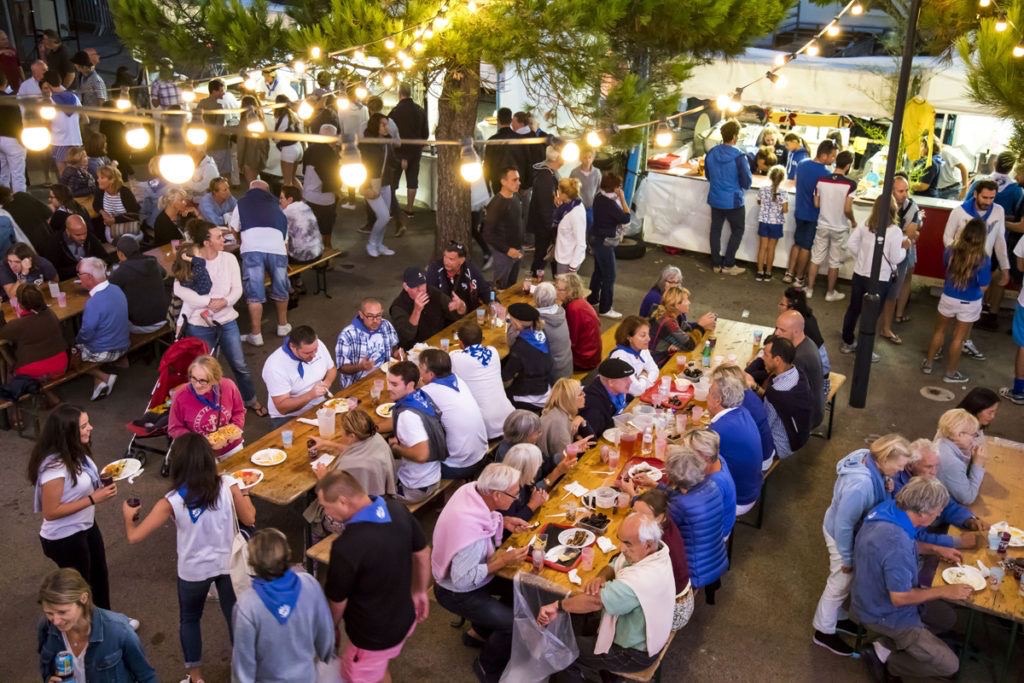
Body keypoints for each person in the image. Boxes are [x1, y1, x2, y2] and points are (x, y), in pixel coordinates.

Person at [122, 433, 256, 683]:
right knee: (235, 616)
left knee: (190, 620)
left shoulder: (171, 501)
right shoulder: (228, 484)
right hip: (227, 563)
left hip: (192, 570)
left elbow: (135, 537)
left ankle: (195, 677)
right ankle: (244, 669)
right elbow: (249, 518)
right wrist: (245, 493)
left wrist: (128, 517)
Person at [853, 477, 972, 680]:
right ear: (923, 513)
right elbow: (900, 598)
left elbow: (906, 544)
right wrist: (944, 591)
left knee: (947, 618)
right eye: (937, 511)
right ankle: (891, 663)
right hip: (884, 612)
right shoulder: (896, 543)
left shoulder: (892, 510)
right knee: (950, 665)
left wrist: (935, 548)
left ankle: (884, 646)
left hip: (867, 594)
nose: (939, 514)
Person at [536, 513, 675, 681]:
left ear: (648, 544)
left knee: (560, 649)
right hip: (636, 630)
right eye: (620, 540)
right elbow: (616, 563)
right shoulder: (656, 551)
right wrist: (601, 577)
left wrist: (557, 606)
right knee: (577, 624)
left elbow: (594, 602)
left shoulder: (640, 580)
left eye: (627, 543)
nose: (620, 547)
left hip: (633, 653)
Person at [812, 434, 911, 657]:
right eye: (900, 466)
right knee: (840, 582)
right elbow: (844, 525)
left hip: (846, 530)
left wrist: (888, 486)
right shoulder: (861, 485)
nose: (901, 470)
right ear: (885, 459)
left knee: (844, 583)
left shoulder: (867, 458)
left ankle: (838, 618)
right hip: (841, 536)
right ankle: (823, 632)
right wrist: (847, 558)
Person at [431, 464, 530, 683]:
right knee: (512, 624)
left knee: (521, 585)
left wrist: (503, 521)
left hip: (465, 575)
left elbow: (485, 516)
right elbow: (463, 579)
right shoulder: (471, 535)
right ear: (496, 494)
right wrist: (502, 560)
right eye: (514, 494)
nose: (517, 498)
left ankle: (478, 632)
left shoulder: (471, 490)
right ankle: (487, 667)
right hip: (457, 591)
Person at [28, 405, 115, 611]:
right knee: (80, 590)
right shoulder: (54, 468)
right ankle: (86, 632)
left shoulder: (75, 452)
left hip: (85, 526)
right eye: (84, 426)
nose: (90, 428)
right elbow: (51, 512)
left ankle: (108, 622)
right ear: (67, 432)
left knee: (99, 577)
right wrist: (93, 499)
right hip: (65, 538)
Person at [176, 220, 265, 416]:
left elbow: (237, 289)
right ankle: (211, 408)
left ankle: (250, 399)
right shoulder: (190, 259)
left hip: (226, 320)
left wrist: (224, 302)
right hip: (199, 324)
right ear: (206, 242)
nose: (223, 239)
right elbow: (179, 289)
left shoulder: (229, 259)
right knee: (206, 371)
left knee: (239, 364)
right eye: (218, 237)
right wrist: (209, 301)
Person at [231, 528, 334, 683]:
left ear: (253, 563)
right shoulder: (309, 584)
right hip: (306, 676)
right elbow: (325, 632)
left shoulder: (247, 606)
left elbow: (244, 660)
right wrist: (326, 654)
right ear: (287, 554)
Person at [37, 568, 157, 682]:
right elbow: (46, 667)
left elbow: (147, 676)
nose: (56, 621)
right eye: (49, 613)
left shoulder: (119, 631)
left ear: (83, 598)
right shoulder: (46, 627)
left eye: (62, 612)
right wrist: (49, 679)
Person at [942, 179, 1010, 361]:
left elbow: (1000, 240)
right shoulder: (959, 212)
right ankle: (943, 344)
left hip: (982, 268)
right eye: (985, 197)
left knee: (972, 309)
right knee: (948, 311)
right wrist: (960, 258)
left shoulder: (999, 211)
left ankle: (964, 340)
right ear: (975, 194)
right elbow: (947, 237)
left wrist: (1005, 267)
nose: (988, 202)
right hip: (959, 270)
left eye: (992, 198)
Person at [839, 194, 908, 361]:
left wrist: (863, 257)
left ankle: (847, 342)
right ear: (894, 210)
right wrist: (905, 249)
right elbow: (894, 258)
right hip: (880, 279)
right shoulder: (895, 232)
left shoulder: (865, 225)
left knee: (854, 309)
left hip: (859, 274)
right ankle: (865, 349)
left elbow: (851, 244)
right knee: (872, 315)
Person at [922, 218, 990, 382]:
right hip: (970, 301)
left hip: (948, 296)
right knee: (958, 338)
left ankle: (928, 364)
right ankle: (950, 374)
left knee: (939, 331)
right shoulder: (984, 259)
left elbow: (946, 266)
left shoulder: (951, 250)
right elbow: (984, 285)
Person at [227, 179, 294, 345]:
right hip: (278, 250)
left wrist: (242, 242)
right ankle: (282, 325)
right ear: (268, 191)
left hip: (252, 250)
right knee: (281, 287)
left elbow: (233, 229)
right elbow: (285, 240)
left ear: (250, 190)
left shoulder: (242, 203)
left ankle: (256, 335)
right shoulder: (278, 208)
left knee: (255, 293)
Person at [893, 438, 984, 550]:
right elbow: (913, 535)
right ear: (910, 465)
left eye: (936, 466)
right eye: (929, 466)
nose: (934, 472)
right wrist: (955, 542)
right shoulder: (899, 490)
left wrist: (968, 520)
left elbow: (945, 504)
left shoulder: (925, 478)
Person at [0, 284, 67, 427]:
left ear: (20, 303)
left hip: (37, 371)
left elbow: (2, 332)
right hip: (61, 364)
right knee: (17, 360)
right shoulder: (50, 313)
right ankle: (53, 398)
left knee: (10, 366)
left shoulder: (20, 324)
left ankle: (15, 412)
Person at [663, 445, 728, 592]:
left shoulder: (680, 505)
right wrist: (658, 487)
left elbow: (659, 528)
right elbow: (684, 497)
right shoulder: (711, 485)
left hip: (694, 570)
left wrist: (634, 498)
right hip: (715, 558)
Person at [418, 348, 489, 478]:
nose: (419, 371)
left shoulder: (429, 392)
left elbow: (406, 415)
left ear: (431, 374)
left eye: (421, 368)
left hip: (458, 466)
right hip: (482, 454)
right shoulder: (458, 379)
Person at [633, 489, 693, 629]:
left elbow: (640, 578)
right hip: (680, 594)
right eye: (634, 512)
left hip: (674, 611)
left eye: (642, 516)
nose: (636, 519)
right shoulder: (665, 524)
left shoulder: (659, 543)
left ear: (660, 517)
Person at [385, 360, 444, 502]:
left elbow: (422, 455)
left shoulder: (407, 417)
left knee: (372, 485)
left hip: (417, 488)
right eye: (388, 382)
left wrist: (396, 447)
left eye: (394, 384)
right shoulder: (421, 396)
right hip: (433, 475)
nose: (388, 388)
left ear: (410, 385)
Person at [309, 409, 398, 502]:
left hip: (364, 506)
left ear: (352, 436)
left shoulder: (350, 464)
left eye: (342, 430)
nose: (341, 433)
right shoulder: (375, 437)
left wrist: (324, 477)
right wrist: (328, 443)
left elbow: (339, 496)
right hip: (382, 491)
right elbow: (357, 451)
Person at [706, 368, 762, 514]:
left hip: (738, 499)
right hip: (752, 487)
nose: (706, 396)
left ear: (717, 400)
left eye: (709, 392)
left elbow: (697, 466)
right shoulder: (742, 411)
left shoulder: (718, 429)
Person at [168, 355, 246, 458]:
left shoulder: (228, 386)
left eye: (203, 381)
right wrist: (201, 442)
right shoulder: (180, 396)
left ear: (215, 379)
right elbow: (174, 428)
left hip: (231, 446)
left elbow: (239, 411)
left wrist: (235, 429)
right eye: (193, 378)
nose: (197, 385)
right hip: (200, 453)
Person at [75, 256, 129, 400]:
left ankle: (104, 376)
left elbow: (86, 333)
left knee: (71, 357)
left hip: (106, 350)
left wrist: (76, 341)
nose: (79, 278)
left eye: (79, 275)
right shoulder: (116, 289)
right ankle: (100, 383)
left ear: (89, 277)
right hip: (124, 343)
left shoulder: (93, 302)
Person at [262, 324, 337, 428]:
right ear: (293, 346)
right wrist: (310, 395)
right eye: (307, 353)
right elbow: (282, 408)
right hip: (289, 416)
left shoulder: (316, 345)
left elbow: (332, 369)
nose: (314, 355)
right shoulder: (274, 367)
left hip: (320, 405)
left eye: (315, 350)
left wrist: (327, 383)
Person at [805, 150, 856, 301]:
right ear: (848, 166)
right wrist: (853, 221)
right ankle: (830, 293)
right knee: (834, 261)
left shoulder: (821, 180)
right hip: (839, 227)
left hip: (822, 224)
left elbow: (816, 203)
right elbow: (847, 208)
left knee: (816, 258)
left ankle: (809, 289)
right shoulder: (851, 184)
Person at [784, 140, 836, 287]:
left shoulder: (802, 164)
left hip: (799, 210)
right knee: (806, 247)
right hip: (813, 214)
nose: (833, 160)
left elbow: (795, 181)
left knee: (797, 243)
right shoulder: (826, 174)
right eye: (832, 156)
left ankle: (789, 273)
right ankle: (799, 277)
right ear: (824, 156)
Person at [452, 321, 515, 439]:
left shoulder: (457, 359)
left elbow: (453, 358)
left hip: (486, 426)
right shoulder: (493, 351)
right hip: (508, 415)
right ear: (482, 339)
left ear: (460, 343)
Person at [704, 121, 752, 275]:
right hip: (734, 201)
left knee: (715, 230)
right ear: (734, 137)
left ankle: (716, 263)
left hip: (715, 198)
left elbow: (708, 176)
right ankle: (729, 264)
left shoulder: (711, 153)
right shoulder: (739, 156)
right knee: (737, 230)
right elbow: (747, 182)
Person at [879, 174, 922, 341]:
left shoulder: (913, 207)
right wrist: (902, 234)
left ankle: (887, 326)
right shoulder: (882, 203)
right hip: (882, 254)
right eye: (900, 191)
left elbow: (912, 233)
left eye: (906, 190)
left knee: (893, 292)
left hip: (901, 254)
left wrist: (894, 234)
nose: (904, 194)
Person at [757, 336, 812, 460]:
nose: (762, 358)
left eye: (765, 355)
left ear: (777, 360)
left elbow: (764, 427)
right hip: (801, 435)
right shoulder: (797, 372)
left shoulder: (776, 393)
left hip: (780, 446)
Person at [588, 171, 630, 318]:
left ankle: (592, 299)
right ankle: (605, 308)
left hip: (595, 238)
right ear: (615, 188)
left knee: (599, 272)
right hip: (605, 243)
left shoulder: (599, 197)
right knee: (609, 276)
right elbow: (626, 217)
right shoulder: (610, 203)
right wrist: (623, 198)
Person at [335, 296, 401, 389]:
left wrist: (396, 353)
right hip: (358, 384)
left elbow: (394, 346)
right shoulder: (347, 335)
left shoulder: (386, 325)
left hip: (384, 376)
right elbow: (341, 367)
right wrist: (360, 367)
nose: (375, 321)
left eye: (378, 315)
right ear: (361, 314)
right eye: (370, 316)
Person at [108, 235, 169, 334]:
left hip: (141, 325)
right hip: (164, 317)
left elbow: (108, 290)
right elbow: (164, 274)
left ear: (120, 254)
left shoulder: (122, 270)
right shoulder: (152, 261)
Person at [390, 265, 462, 349]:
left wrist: (460, 307)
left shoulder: (432, 292)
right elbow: (406, 336)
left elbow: (456, 315)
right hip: (416, 350)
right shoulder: (398, 307)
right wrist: (417, 311)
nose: (421, 290)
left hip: (441, 341)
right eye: (416, 287)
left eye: (423, 284)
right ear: (406, 287)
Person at [502, 302, 555, 412]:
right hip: (546, 383)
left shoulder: (520, 347)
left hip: (533, 394)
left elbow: (506, 376)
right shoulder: (541, 331)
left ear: (516, 323)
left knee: (502, 395)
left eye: (510, 319)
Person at [360, 112, 398, 257]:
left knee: (385, 217)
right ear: (375, 125)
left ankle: (379, 244)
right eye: (383, 124)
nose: (386, 126)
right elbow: (367, 164)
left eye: (386, 123)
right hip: (370, 183)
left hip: (385, 182)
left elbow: (391, 159)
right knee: (383, 216)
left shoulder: (387, 140)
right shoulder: (367, 143)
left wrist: (400, 162)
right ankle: (371, 243)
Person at [648, 286, 715, 366]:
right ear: (677, 305)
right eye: (686, 300)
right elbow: (690, 345)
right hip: (658, 362)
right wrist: (701, 326)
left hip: (665, 355)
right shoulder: (667, 322)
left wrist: (700, 325)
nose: (689, 302)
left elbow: (687, 329)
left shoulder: (676, 315)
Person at [389, 82, 429, 215]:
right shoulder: (420, 110)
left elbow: (389, 132)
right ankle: (410, 209)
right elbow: (426, 134)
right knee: (412, 181)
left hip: (398, 152)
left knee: (392, 182)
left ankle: (392, 209)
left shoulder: (395, 112)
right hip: (415, 152)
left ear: (399, 93)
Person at [482, 167, 524, 288]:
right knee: (500, 288)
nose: (519, 183)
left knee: (511, 286)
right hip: (504, 254)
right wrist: (507, 250)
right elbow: (487, 233)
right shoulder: (496, 204)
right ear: (503, 182)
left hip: (517, 250)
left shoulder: (515, 197)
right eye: (514, 180)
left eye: (519, 179)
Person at [934, 407, 985, 505]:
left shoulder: (942, 440)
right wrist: (977, 465)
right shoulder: (952, 463)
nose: (974, 440)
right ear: (960, 434)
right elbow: (967, 498)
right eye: (973, 435)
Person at [538, 377, 594, 466]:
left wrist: (581, 420)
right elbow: (565, 460)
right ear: (569, 399)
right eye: (580, 394)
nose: (584, 395)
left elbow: (592, 440)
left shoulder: (563, 412)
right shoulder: (558, 423)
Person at [528, 145, 564, 274]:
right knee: (541, 258)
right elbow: (545, 208)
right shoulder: (545, 177)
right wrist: (553, 228)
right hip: (545, 227)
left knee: (544, 258)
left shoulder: (550, 173)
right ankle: (533, 285)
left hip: (546, 225)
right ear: (556, 157)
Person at [426, 240, 492, 311]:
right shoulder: (435, 269)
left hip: (468, 314)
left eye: (451, 259)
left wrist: (494, 303)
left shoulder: (470, 269)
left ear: (462, 260)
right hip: (444, 317)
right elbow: (430, 296)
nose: (446, 261)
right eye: (445, 256)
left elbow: (486, 290)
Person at [556, 272, 602, 370]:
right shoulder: (580, 302)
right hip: (591, 353)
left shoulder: (574, 309)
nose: (556, 292)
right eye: (556, 288)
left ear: (570, 291)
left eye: (560, 290)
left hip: (584, 359)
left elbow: (571, 339)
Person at [579, 357, 634, 438]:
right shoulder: (593, 408)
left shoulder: (616, 391)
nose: (630, 381)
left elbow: (628, 400)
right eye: (625, 379)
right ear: (611, 382)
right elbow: (591, 439)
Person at [302, 123, 341, 236]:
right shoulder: (328, 155)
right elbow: (331, 179)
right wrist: (339, 191)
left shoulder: (310, 149)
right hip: (324, 198)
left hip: (308, 195)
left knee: (310, 227)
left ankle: (312, 249)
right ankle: (327, 248)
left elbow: (305, 171)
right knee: (326, 227)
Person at [44, 71, 85, 176]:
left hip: (59, 142)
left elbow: (47, 123)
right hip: (76, 140)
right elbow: (85, 119)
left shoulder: (49, 101)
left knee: (63, 174)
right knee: (78, 173)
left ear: (48, 84)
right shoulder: (75, 98)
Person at [47, 213, 111, 281]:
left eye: (84, 233)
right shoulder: (55, 243)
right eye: (78, 235)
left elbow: (106, 258)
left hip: (93, 278)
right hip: (70, 282)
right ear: (68, 232)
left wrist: (95, 263)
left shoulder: (89, 236)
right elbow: (53, 274)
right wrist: (78, 268)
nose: (83, 237)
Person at [499, 442, 553, 521]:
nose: (537, 470)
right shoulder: (506, 491)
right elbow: (507, 528)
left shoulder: (521, 479)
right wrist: (533, 505)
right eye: (537, 467)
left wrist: (537, 497)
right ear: (527, 470)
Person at [610, 315, 660, 398]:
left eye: (648, 334)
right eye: (643, 335)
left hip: (632, 395)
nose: (649, 339)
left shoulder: (642, 349)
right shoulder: (620, 358)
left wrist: (641, 382)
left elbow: (655, 370)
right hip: (616, 401)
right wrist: (644, 375)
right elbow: (637, 391)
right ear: (629, 338)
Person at [754, 165, 788, 282]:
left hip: (764, 221)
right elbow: (785, 209)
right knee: (771, 248)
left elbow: (759, 201)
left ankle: (759, 272)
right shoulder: (783, 192)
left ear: (770, 176)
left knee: (762, 247)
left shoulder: (762, 189)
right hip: (776, 223)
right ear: (783, 178)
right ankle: (768, 272)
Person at [93, 164, 142, 243]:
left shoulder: (125, 192)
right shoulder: (99, 191)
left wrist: (115, 220)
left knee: (127, 241)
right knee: (115, 240)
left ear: (112, 180)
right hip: (111, 227)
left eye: (102, 178)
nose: (98, 180)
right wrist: (102, 212)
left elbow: (134, 214)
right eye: (98, 177)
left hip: (128, 225)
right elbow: (95, 205)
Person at [279, 184, 324, 265]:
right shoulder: (305, 206)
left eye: (282, 198)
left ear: (290, 199)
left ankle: (293, 276)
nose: (280, 201)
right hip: (318, 253)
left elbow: (281, 237)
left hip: (301, 258)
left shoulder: (286, 213)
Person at [552, 177, 587, 274]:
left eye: (559, 190)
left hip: (568, 262)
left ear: (564, 194)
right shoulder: (568, 206)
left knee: (564, 288)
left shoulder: (576, 214)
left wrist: (572, 268)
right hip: (563, 256)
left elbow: (581, 243)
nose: (557, 192)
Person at [236, 96, 269, 185]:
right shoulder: (261, 120)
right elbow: (266, 142)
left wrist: (240, 161)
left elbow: (241, 144)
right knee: (257, 181)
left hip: (249, 158)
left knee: (252, 185)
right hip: (260, 156)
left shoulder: (244, 122)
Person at [273, 95, 302, 186]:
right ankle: (303, 198)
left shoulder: (281, 118)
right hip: (298, 147)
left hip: (289, 150)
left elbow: (276, 137)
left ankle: (287, 200)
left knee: (287, 182)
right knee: (293, 178)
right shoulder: (294, 115)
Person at [571, 146, 602, 227]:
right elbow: (571, 189)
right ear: (580, 158)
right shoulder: (574, 173)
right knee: (578, 225)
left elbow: (599, 188)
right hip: (577, 206)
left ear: (593, 158)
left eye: (590, 157)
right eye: (585, 157)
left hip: (590, 207)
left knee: (590, 224)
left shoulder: (597, 173)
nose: (587, 160)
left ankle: (588, 239)